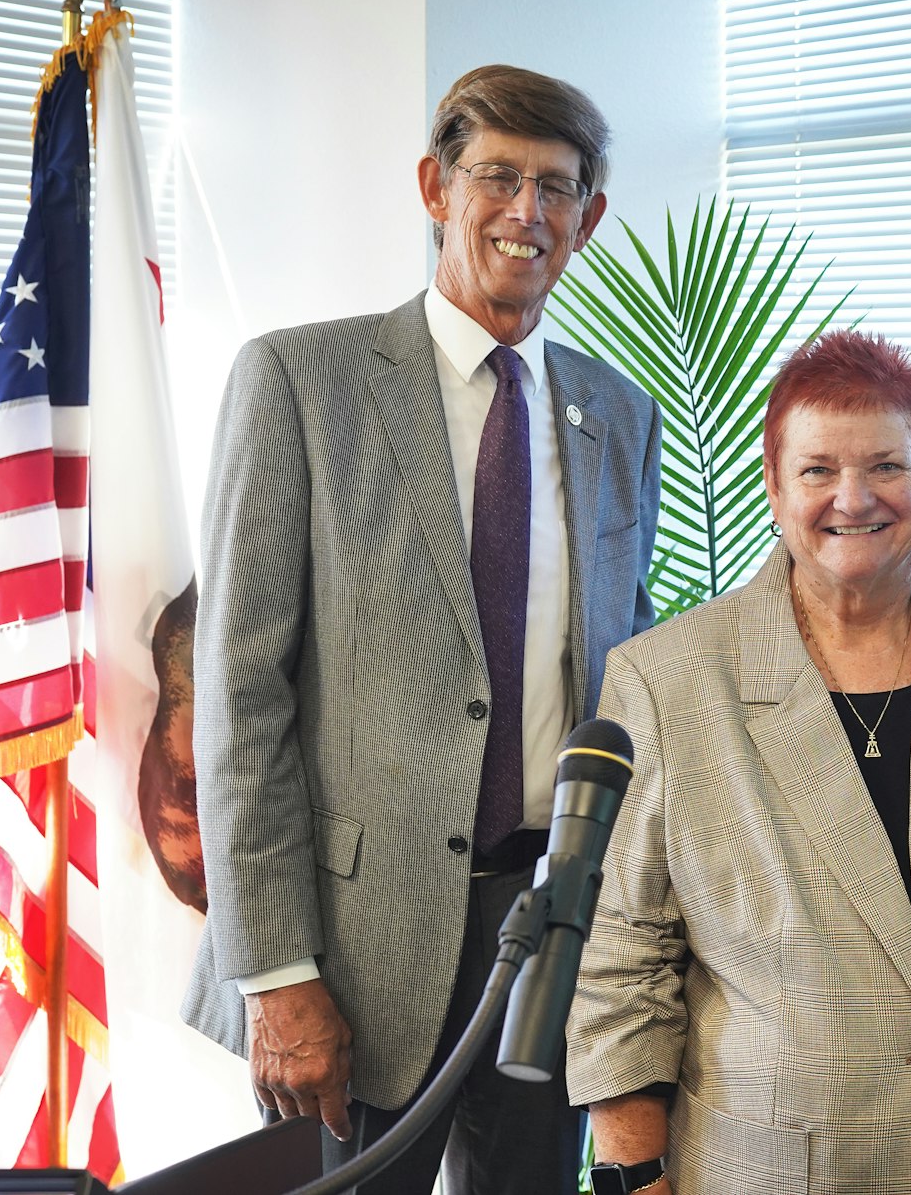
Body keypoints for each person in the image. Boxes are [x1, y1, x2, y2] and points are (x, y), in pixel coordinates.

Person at [181, 65, 662, 1194]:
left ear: (587, 219)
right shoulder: (302, 380)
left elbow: (627, 668)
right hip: (351, 949)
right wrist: (278, 973)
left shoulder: (615, 413)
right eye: (497, 177)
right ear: (433, 188)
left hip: (551, 934)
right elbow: (239, 695)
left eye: (557, 188)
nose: (526, 214)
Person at [567, 330, 911, 1195]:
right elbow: (623, 950)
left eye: (886, 466)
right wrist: (633, 1170)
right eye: (819, 469)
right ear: (773, 483)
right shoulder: (668, 679)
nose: (853, 498)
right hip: (774, 1168)